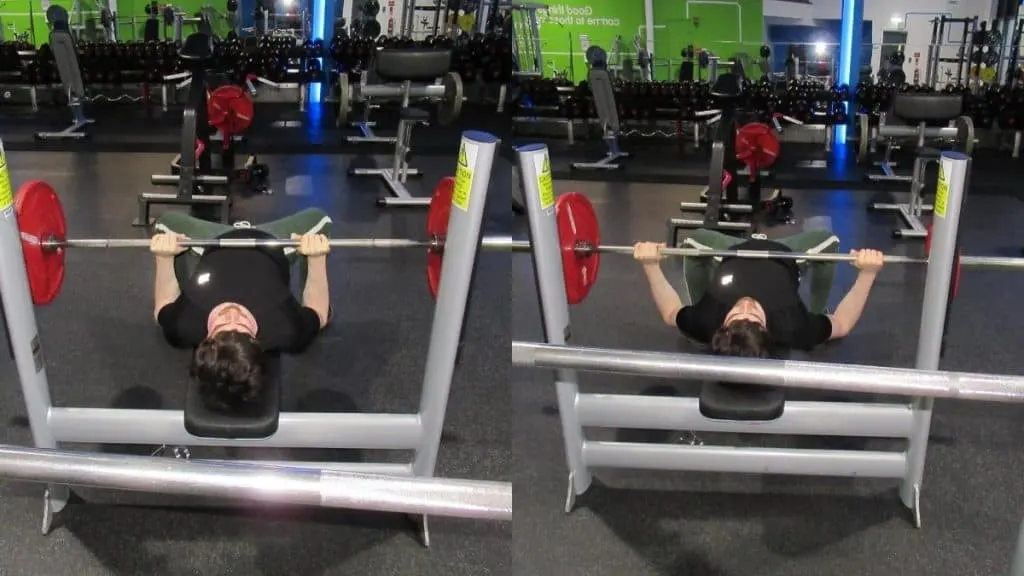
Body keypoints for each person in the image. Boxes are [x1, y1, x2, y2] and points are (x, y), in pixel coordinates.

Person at [150, 209, 333, 413]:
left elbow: (162, 307)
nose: (232, 313)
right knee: (320, 220)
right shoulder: (285, 327)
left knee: (165, 225)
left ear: (204, 340)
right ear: (258, 341)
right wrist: (317, 257)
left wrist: (164, 257)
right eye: (242, 326)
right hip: (269, 244)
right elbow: (319, 311)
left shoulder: (184, 324)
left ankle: (180, 266)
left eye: (220, 327)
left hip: (213, 244)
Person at [634, 228, 885, 357]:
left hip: (732, 254)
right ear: (767, 328)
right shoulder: (792, 324)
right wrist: (868, 274)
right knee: (830, 242)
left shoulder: (706, 320)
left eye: (735, 314)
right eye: (754, 314)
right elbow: (842, 323)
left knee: (693, 242)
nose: (746, 303)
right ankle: (817, 312)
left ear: (722, 326)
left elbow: (669, 313)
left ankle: (698, 298)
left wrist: (650, 265)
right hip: (782, 255)